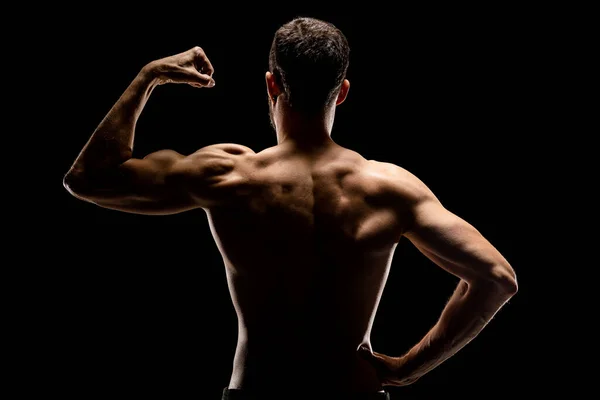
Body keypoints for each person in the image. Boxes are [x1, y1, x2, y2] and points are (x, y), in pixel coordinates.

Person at [63, 17, 518, 400]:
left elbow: (88, 178)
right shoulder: (389, 188)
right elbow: (497, 278)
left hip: (259, 393)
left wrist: (149, 77)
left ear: (272, 84)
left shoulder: (229, 176)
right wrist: (408, 368)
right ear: (341, 92)